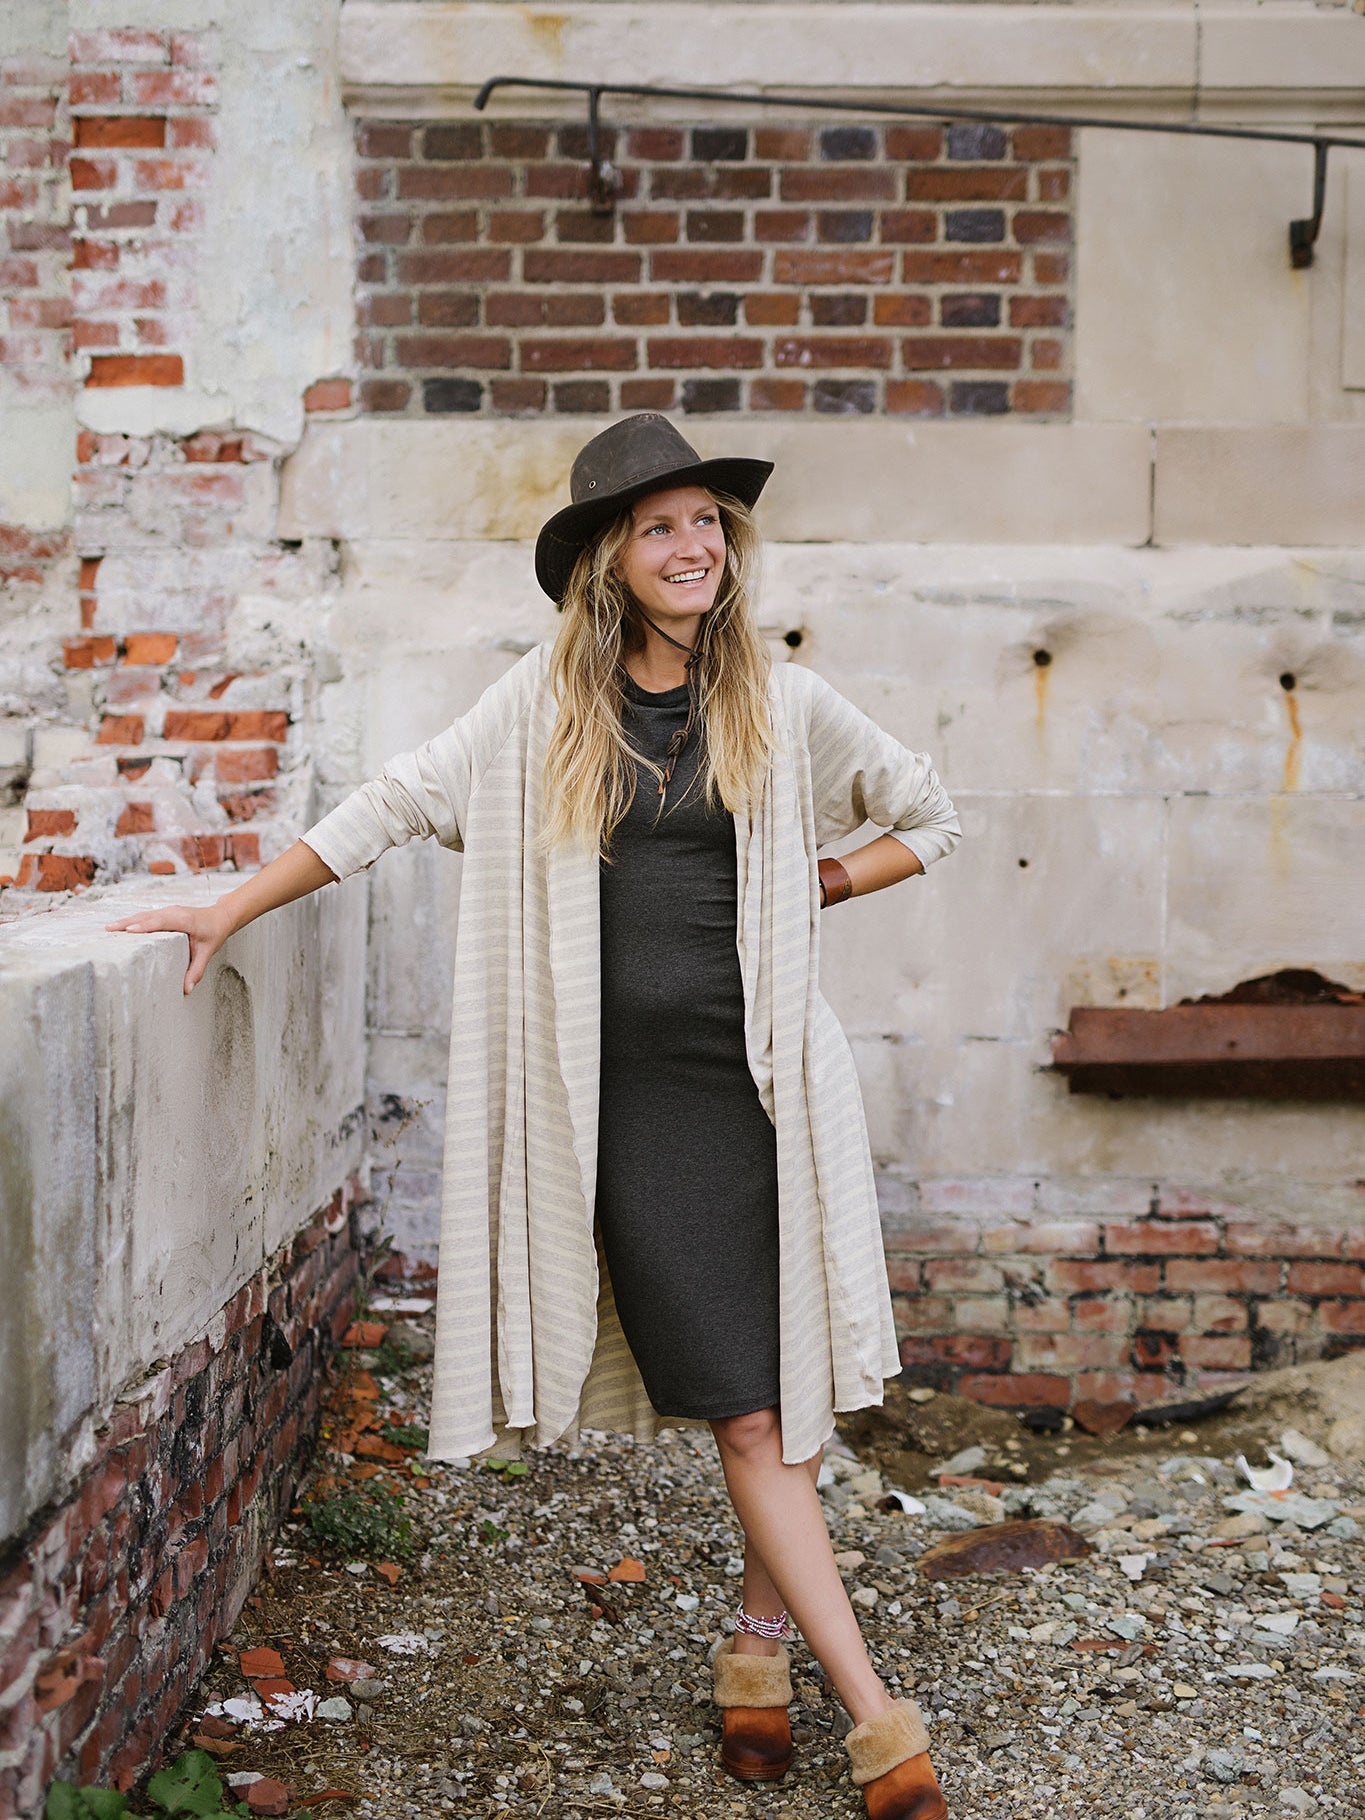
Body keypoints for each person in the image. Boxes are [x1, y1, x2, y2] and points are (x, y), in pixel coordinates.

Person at [108, 413, 962, 1820]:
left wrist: (813, 884)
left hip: (767, 1093)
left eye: (706, 524)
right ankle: (883, 1731)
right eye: (658, 528)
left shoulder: (780, 699)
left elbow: (927, 816)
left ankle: (757, 1656)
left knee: (784, 1406)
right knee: (748, 1416)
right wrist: (231, 902)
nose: (691, 548)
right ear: (610, 564)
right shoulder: (544, 711)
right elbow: (389, 803)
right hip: (629, 1115)